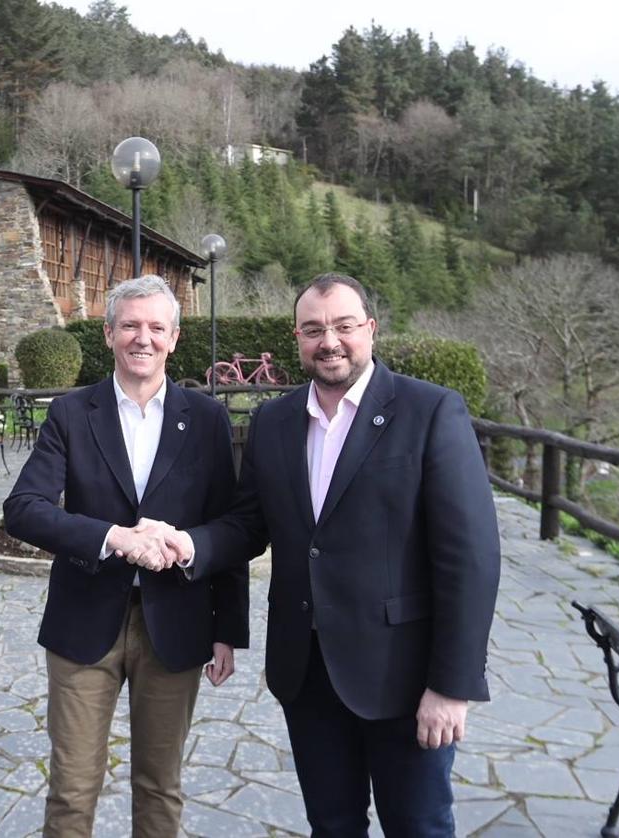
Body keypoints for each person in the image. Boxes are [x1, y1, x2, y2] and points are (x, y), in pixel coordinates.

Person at [143, 273, 500, 835]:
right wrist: (190, 545)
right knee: (332, 826)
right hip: (307, 674)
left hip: (403, 678)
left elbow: (471, 558)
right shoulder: (274, 421)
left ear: (371, 330)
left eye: (343, 326)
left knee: (420, 827)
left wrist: (452, 684)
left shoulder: (430, 411)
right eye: (313, 330)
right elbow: (247, 525)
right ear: (297, 338)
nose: (329, 341)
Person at [3, 274, 250, 838]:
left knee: (161, 788)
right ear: (109, 333)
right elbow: (23, 508)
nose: (144, 337)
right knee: (71, 790)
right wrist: (113, 536)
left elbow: (231, 529)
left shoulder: (207, 419)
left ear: (175, 337)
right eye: (131, 325)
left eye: (156, 327)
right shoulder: (71, 413)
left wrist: (226, 627)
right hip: (83, 623)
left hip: (177, 625)